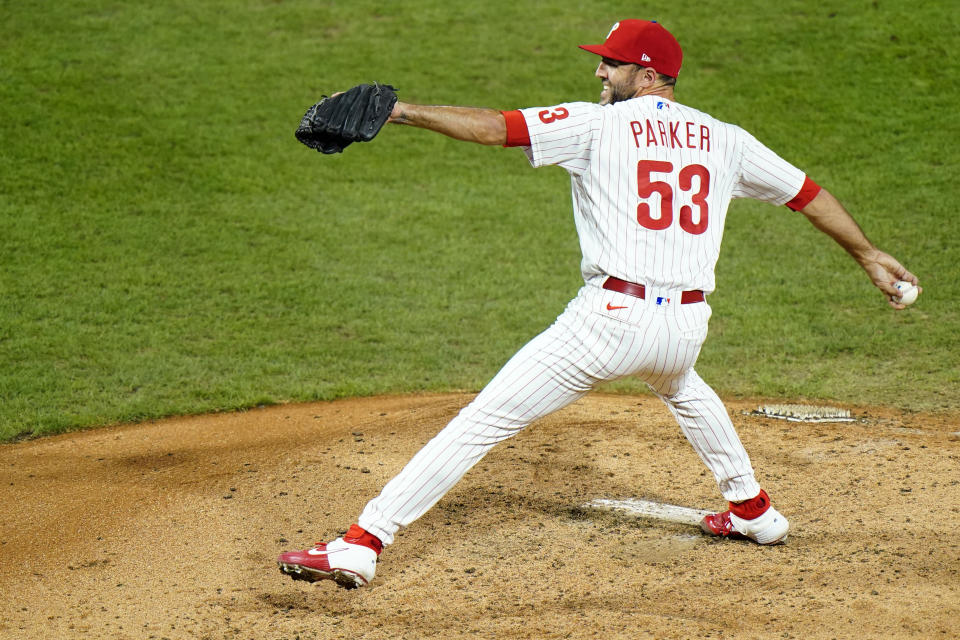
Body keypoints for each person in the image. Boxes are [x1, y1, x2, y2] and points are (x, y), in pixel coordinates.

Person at [278, 19, 920, 589]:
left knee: (483, 422)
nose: (598, 71)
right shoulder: (727, 139)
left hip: (608, 323)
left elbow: (495, 128)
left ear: (646, 74)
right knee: (684, 386)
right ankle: (753, 511)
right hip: (686, 325)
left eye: (609, 63)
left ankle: (362, 544)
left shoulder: (598, 123)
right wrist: (867, 254)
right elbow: (808, 194)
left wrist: (402, 112)